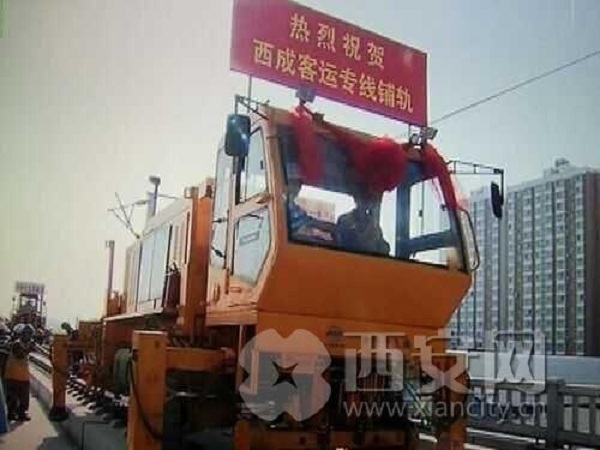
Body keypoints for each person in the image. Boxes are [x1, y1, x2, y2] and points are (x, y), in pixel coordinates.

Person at [335, 189, 390, 255]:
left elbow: (384, 249)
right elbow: (342, 245)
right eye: (363, 198)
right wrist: (363, 238)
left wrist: (380, 242)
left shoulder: (373, 224)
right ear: (356, 199)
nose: (367, 202)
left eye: (370, 198)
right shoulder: (345, 220)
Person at [4, 324, 34, 421]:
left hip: (23, 376)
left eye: (30, 334)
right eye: (26, 334)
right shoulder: (16, 344)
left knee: (24, 397)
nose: (28, 336)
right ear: (22, 334)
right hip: (13, 375)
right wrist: (30, 349)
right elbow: (20, 355)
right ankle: (11, 413)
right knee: (12, 397)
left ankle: (22, 413)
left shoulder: (26, 344)